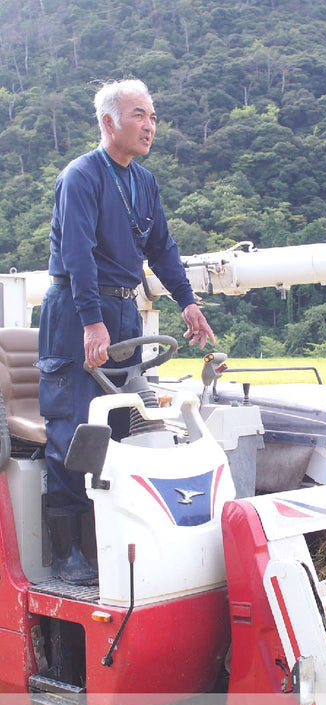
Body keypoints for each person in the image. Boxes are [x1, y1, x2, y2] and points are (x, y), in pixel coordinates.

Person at [38, 79, 215, 584]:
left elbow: (162, 247)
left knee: (123, 426)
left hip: (124, 311)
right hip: (76, 312)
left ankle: (106, 538)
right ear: (109, 122)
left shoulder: (144, 182)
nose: (150, 126)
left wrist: (188, 303)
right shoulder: (82, 176)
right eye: (140, 115)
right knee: (75, 427)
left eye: (154, 117)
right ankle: (66, 552)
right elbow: (77, 255)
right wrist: (91, 320)